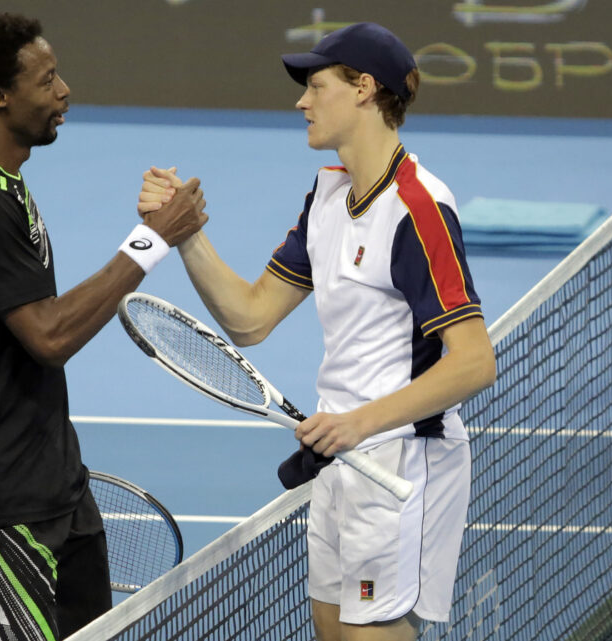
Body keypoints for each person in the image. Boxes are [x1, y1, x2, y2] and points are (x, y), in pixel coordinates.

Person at [138, 22, 496, 641]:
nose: (301, 101)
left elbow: (473, 363)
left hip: (398, 457)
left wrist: (360, 422)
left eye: (315, 85)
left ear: (364, 89)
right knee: (331, 631)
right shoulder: (329, 196)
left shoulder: (418, 209)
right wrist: (184, 232)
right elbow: (250, 318)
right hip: (340, 454)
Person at [0, 12, 206, 641]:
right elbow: (49, 337)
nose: (64, 90)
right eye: (46, 80)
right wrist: (150, 242)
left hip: (56, 487)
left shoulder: (7, 186)